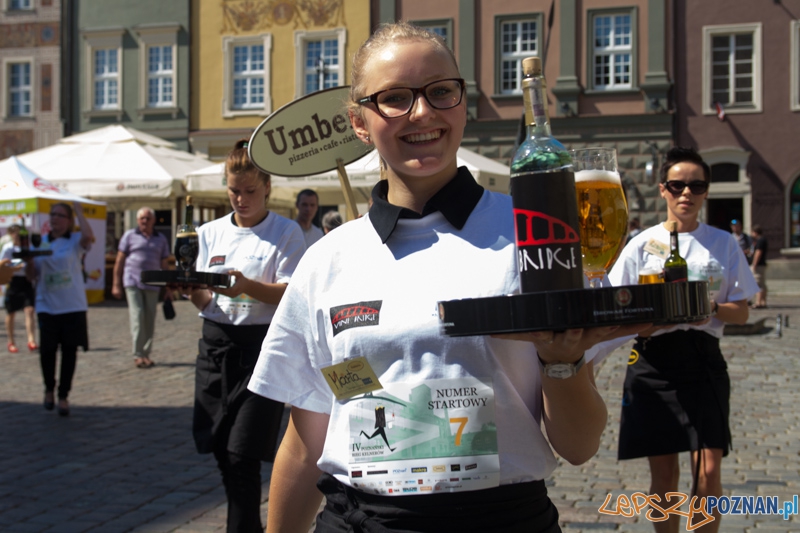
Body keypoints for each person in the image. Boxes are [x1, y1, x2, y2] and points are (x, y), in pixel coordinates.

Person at [249, 22, 646, 533]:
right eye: (394, 98)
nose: (422, 112)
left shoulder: (535, 237)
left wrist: (563, 362)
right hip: (359, 521)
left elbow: (578, 446)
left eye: (441, 92)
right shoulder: (326, 261)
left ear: (463, 103)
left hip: (502, 522)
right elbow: (306, 445)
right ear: (359, 122)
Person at [608, 147, 759, 533]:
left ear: (706, 192)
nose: (686, 193)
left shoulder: (723, 243)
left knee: (708, 471)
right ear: (663, 190)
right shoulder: (642, 244)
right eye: (677, 185)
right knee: (664, 476)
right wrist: (648, 323)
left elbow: (742, 310)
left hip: (703, 359)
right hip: (653, 362)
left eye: (696, 185)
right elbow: (615, 312)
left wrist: (711, 308)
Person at [184, 139, 306, 532]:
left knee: (243, 455)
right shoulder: (209, 232)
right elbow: (205, 301)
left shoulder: (285, 232)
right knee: (221, 450)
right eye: (234, 190)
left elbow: (289, 293)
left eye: (249, 191)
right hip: (216, 346)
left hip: (261, 350)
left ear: (267, 186)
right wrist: (190, 289)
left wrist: (246, 287)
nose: (240, 199)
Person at [27, 202, 94, 417]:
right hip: (47, 304)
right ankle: (49, 388)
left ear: (68, 219)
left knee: (69, 352)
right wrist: (28, 259)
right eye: (52, 214)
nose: (55, 218)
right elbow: (31, 275)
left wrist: (80, 212)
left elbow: (88, 236)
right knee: (47, 351)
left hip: (72, 305)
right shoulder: (41, 242)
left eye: (60, 215)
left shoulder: (74, 241)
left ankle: (64, 395)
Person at [112, 207, 172, 368]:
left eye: (148, 218)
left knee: (149, 318)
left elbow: (164, 263)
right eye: (142, 219)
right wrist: (116, 284)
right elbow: (120, 260)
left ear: (153, 220)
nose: (145, 221)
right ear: (138, 221)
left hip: (153, 283)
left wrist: (168, 288)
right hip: (132, 281)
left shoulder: (160, 238)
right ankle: (138, 354)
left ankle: (146, 352)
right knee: (138, 315)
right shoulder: (129, 236)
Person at [1, 225, 38, 353]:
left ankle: (31, 339)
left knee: (29, 309)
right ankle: (11, 341)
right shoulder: (8, 248)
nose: (18, 236)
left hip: (26, 281)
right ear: (11, 235)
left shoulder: (28, 248)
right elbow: (3, 264)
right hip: (13, 281)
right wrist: (15, 266)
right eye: (15, 233)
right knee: (11, 312)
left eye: (20, 234)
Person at [749, 225, 768, 308]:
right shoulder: (763, 240)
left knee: (758, 284)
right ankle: (763, 302)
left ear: (755, 232)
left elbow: (758, 252)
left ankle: (758, 302)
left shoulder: (760, 241)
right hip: (762, 264)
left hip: (759, 265)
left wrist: (754, 264)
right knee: (762, 284)